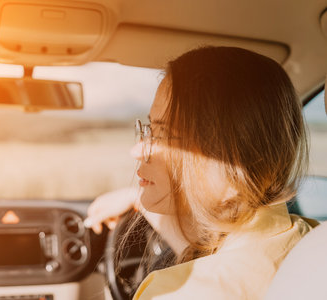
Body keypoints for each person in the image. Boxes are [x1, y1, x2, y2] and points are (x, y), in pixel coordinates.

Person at [84, 46, 316, 299]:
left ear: (230, 165)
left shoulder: (176, 291)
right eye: (150, 128)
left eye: (164, 134)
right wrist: (136, 198)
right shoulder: (309, 240)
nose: (138, 150)